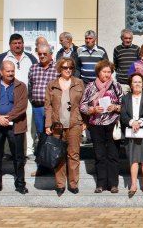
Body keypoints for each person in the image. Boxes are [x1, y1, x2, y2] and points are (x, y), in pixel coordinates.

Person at [0, 61, 29, 197]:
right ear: (1, 72)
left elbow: (22, 105)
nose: (10, 73)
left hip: (15, 125)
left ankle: (20, 184)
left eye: (12, 71)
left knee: (18, 156)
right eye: (8, 71)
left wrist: (7, 118)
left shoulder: (21, 86)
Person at [80, 60, 123, 193]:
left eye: (109, 72)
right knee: (99, 155)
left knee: (113, 155)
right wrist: (93, 110)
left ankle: (113, 184)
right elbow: (82, 105)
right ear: (98, 72)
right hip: (96, 125)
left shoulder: (116, 86)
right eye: (104, 71)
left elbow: (125, 105)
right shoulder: (90, 86)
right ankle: (101, 184)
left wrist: (115, 107)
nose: (107, 74)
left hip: (112, 123)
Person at [0, 33, 37, 157]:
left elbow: (35, 78)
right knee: (7, 124)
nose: (17, 45)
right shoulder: (2, 58)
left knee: (28, 125)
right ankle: (8, 152)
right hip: (6, 97)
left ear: (23, 44)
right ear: (10, 45)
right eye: (15, 43)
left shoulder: (31, 58)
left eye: (19, 43)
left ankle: (28, 150)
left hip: (26, 98)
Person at [44, 57, 85, 196]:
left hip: (74, 124)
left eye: (70, 67)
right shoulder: (52, 84)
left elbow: (83, 104)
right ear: (59, 69)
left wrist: (84, 122)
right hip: (57, 125)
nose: (68, 70)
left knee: (73, 154)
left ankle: (73, 184)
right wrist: (48, 124)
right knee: (59, 155)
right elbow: (48, 106)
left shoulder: (79, 83)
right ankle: (60, 184)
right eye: (65, 67)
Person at [120, 73, 143, 198]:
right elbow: (123, 114)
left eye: (139, 82)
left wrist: (140, 122)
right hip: (131, 131)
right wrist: (132, 122)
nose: (137, 84)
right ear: (130, 84)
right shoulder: (125, 98)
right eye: (134, 82)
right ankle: (133, 184)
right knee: (133, 158)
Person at [27, 44, 58, 176]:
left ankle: (55, 166)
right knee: (41, 136)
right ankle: (42, 166)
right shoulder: (34, 68)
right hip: (38, 107)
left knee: (53, 135)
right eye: (40, 54)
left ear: (51, 54)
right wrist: (33, 101)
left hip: (53, 108)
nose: (42, 56)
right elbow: (30, 87)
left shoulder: (57, 68)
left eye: (45, 54)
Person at [113, 29, 140, 93]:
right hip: (122, 83)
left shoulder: (137, 49)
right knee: (123, 102)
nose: (128, 40)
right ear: (121, 38)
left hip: (134, 82)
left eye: (130, 38)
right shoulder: (117, 49)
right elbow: (115, 64)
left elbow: (139, 65)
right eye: (126, 38)